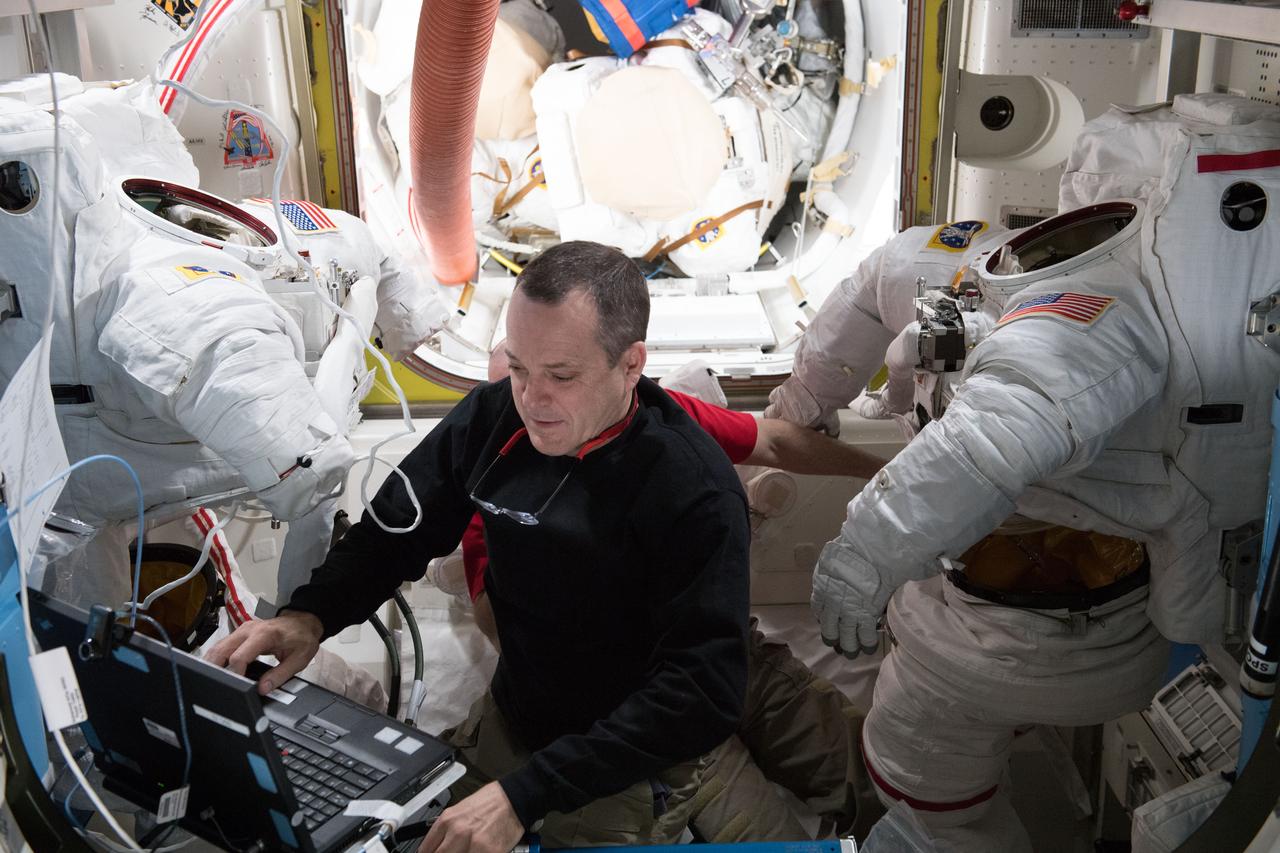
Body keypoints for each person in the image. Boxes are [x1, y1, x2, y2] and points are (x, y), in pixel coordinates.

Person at [765, 93, 1280, 850]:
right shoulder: (980, 270)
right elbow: (876, 284)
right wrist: (800, 402)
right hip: (1090, 616)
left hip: (1035, 641)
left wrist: (861, 558)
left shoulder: (1089, 316)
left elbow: (992, 439)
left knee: (914, 764)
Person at [207, 240, 754, 853]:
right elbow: (397, 530)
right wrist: (311, 616)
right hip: (514, 718)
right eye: (518, 367)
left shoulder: (691, 489)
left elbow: (705, 690)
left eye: (561, 376)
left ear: (631, 366)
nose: (531, 398)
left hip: (620, 755)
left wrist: (528, 794)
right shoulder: (495, 419)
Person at [465, 347, 887, 841]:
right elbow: (505, 631)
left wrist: (893, 472)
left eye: (558, 377)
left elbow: (776, 442)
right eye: (515, 388)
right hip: (632, 698)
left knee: (876, 774)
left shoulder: (658, 424)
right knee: (761, 832)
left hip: (729, 658)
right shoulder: (496, 503)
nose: (537, 403)